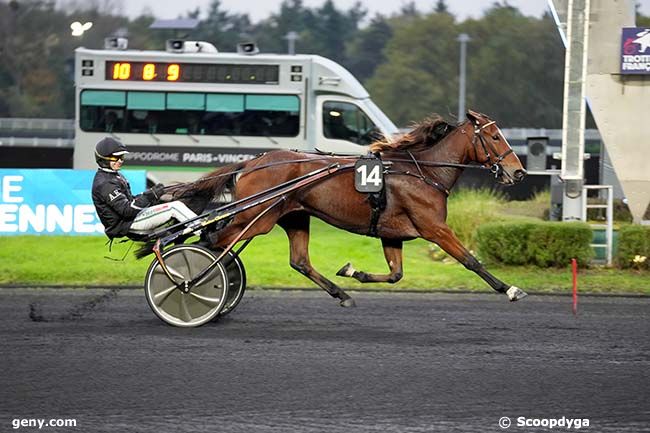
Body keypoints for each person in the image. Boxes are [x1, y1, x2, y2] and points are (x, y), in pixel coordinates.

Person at [91, 137, 199, 239]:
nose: (120, 160)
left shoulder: (114, 175)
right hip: (128, 225)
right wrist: (150, 196)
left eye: (122, 157)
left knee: (173, 204)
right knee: (174, 207)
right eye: (116, 157)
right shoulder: (105, 183)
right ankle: (202, 231)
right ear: (103, 159)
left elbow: (130, 200)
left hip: (130, 220)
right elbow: (127, 210)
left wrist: (153, 195)